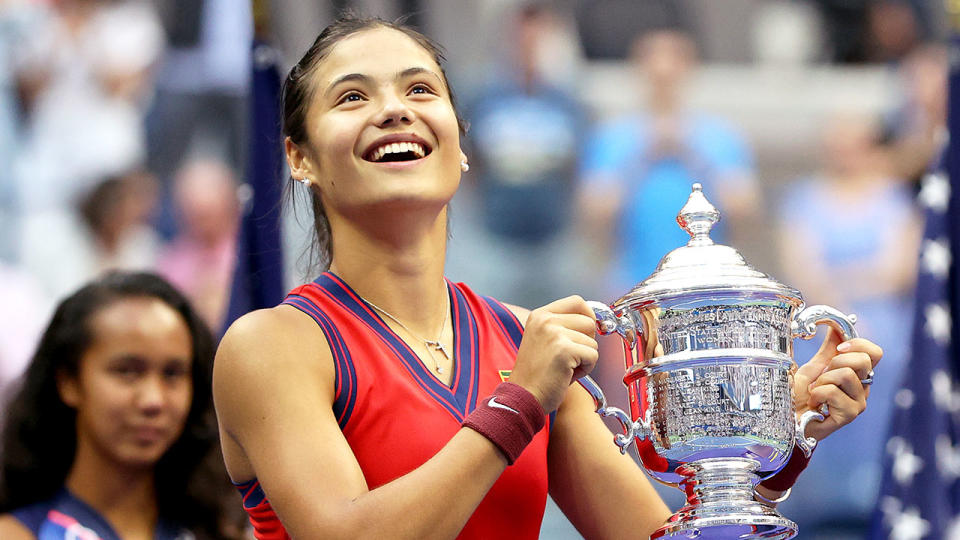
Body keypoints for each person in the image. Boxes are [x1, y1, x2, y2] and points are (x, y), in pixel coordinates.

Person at [212, 16, 883, 539]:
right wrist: (518, 402)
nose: (395, 109)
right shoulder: (271, 345)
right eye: (353, 96)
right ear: (298, 157)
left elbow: (656, 538)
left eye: (420, 89)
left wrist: (767, 445)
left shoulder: (523, 340)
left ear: (461, 143)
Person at [0, 271, 245, 540]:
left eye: (172, 374)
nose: (153, 400)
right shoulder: (17, 534)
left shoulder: (221, 530)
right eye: (127, 371)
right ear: (68, 381)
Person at [578, 28, 759, 298]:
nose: (663, 76)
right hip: (633, 285)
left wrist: (692, 155)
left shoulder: (720, 137)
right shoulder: (613, 137)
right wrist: (643, 157)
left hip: (708, 286)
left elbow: (745, 209)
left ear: (688, 69)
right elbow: (595, 213)